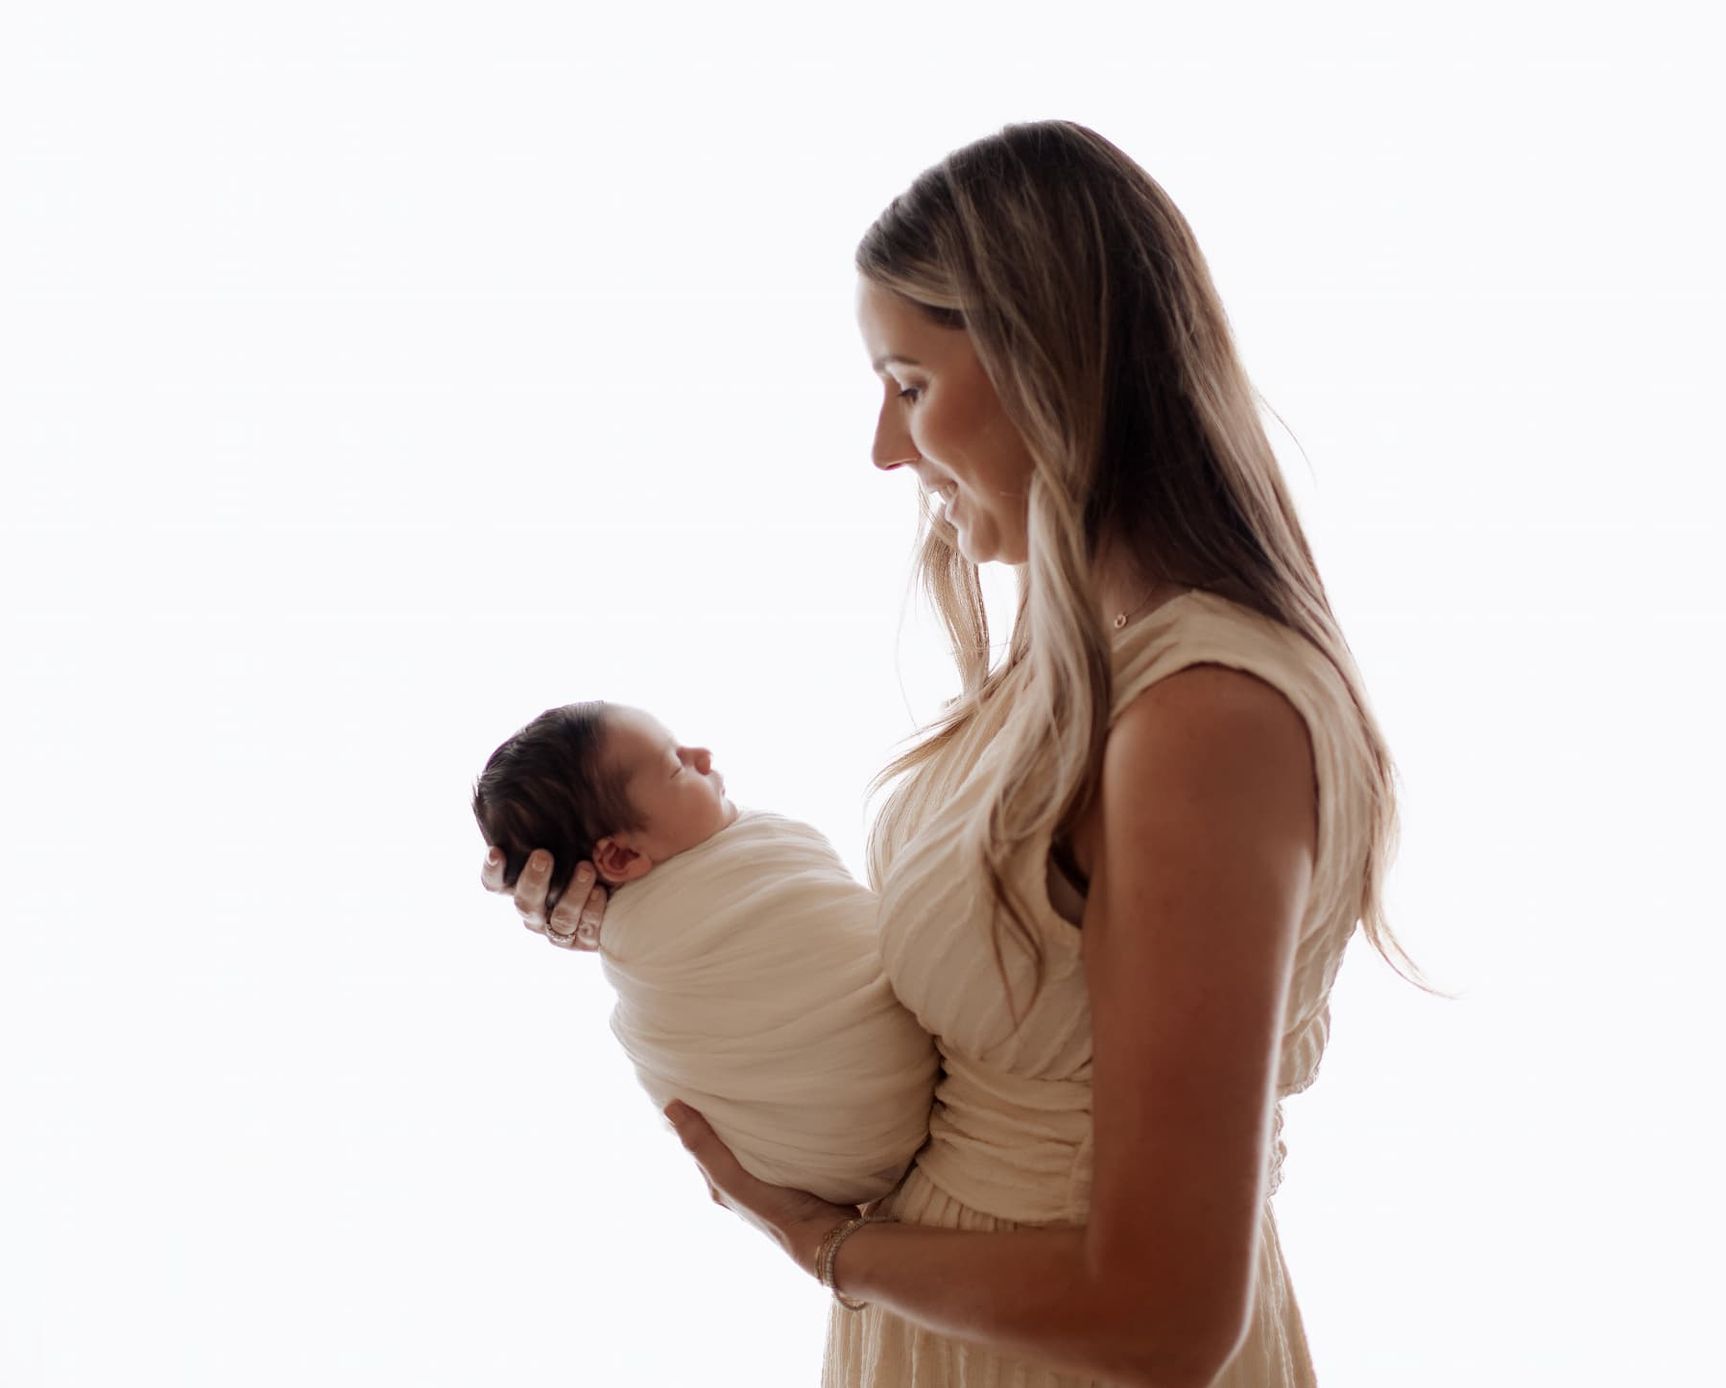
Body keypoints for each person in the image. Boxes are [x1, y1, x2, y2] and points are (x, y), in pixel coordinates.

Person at [481, 118, 1441, 1387]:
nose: (888, 447)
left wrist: (825, 1244)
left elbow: (1163, 1317)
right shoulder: (1077, 662)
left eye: (913, 384)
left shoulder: (1204, 717)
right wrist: (653, 915)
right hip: (959, 1324)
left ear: (1054, 365)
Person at [470, 700, 937, 1207]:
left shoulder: (731, 868)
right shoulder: (662, 930)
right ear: (621, 856)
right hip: (878, 1110)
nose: (702, 754)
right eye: (676, 765)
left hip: (819, 1169)